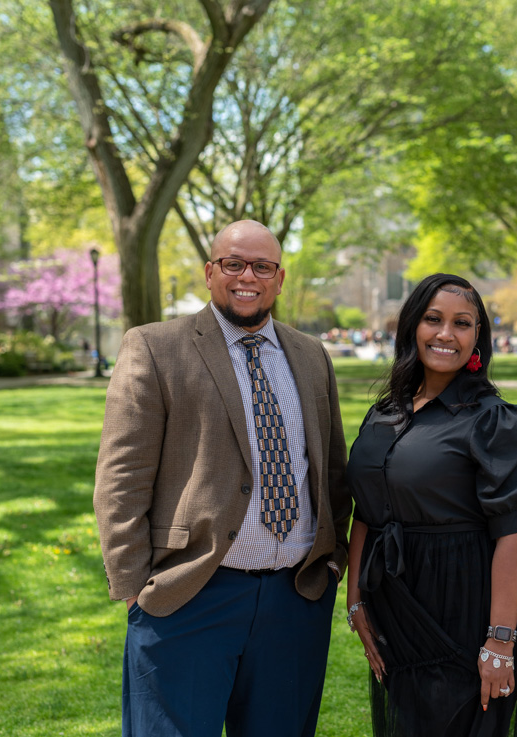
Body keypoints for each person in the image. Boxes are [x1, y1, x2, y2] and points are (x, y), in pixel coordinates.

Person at [93, 220, 350, 737]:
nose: (246, 277)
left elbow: (333, 470)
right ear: (210, 272)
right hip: (190, 594)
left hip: (294, 599)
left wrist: (332, 565)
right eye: (233, 264)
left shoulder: (310, 355)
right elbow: (122, 476)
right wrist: (132, 586)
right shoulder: (155, 348)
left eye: (262, 266)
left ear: (279, 278)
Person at [345, 273, 517, 737]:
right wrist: (356, 599)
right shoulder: (385, 412)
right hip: (395, 600)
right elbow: (366, 511)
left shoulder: (496, 422)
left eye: (462, 323)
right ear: (413, 326)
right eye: (433, 319)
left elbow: (514, 535)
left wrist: (499, 641)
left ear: (478, 337)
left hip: (466, 603)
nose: (445, 334)